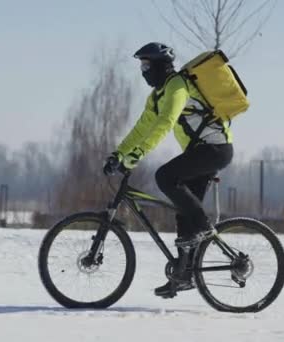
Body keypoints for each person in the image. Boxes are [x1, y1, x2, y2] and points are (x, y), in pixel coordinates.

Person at [103, 42, 234, 298]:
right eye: (141, 65)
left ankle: (205, 226)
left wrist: (138, 154)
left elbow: (165, 124)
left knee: (164, 176)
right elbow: (143, 128)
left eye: (146, 65)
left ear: (161, 65)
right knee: (183, 212)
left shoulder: (177, 86)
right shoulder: (157, 95)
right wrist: (118, 153)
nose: (143, 71)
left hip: (215, 150)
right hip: (199, 152)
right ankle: (185, 275)